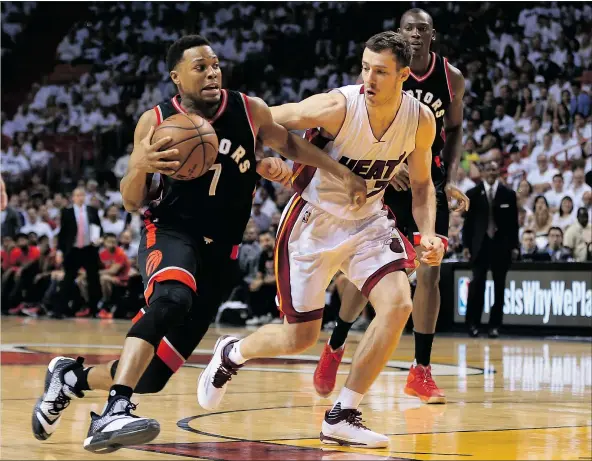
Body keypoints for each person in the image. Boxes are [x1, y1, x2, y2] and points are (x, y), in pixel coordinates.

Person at [32, 35, 366, 453]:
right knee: (170, 298)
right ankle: (115, 410)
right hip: (171, 231)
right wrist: (139, 166)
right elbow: (133, 199)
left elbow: (292, 144)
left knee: (152, 376)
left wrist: (341, 173)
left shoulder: (248, 109)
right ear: (176, 78)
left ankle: (70, 377)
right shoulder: (154, 121)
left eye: (215, 65)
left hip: (221, 253)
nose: (212, 73)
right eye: (200, 67)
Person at [198, 31, 445, 448]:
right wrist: (225, 128)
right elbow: (270, 116)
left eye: (381, 71)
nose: (369, 77)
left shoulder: (420, 120)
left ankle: (343, 413)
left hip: (368, 223)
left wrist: (431, 233)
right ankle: (231, 354)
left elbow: (422, 186)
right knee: (300, 339)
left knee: (399, 303)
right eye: (365, 67)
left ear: (404, 75)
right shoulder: (339, 105)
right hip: (313, 223)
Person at [313, 8, 468, 405]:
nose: (416, 34)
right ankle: (336, 344)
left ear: (433, 35)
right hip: (382, 181)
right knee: (372, 276)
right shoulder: (381, 72)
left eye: (423, 29)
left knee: (429, 270)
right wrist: (387, 162)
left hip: (423, 183)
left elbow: (453, 131)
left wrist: (448, 179)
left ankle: (422, 370)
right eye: (409, 28)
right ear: (400, 34)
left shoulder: (451, 79)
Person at [462, 161, 519, 338]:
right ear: (483, 172)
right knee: (477, 286)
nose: (492, 172)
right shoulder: (472, 194)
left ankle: (495, 326)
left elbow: (513, 224)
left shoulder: (508, 194)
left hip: (501, 246)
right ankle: (473, 324)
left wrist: (515, 246)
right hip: (480, 246)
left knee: (499, 287)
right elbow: (468, 224)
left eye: (494, 169)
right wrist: (465, 245)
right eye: (488, 169)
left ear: (498, 171)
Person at [55, 187, 103, 318]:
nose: (80, 197)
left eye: (82, 195)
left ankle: (94, 309)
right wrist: (59, 251)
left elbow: (98, 228)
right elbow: (63, 234)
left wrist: (97, 239)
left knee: (93, 280)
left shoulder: (92, 210)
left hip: (89, 249)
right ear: (73, 197)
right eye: (77, 195)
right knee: (67, 280)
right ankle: (60, 309)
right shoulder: (67, 212)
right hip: (73, 250)